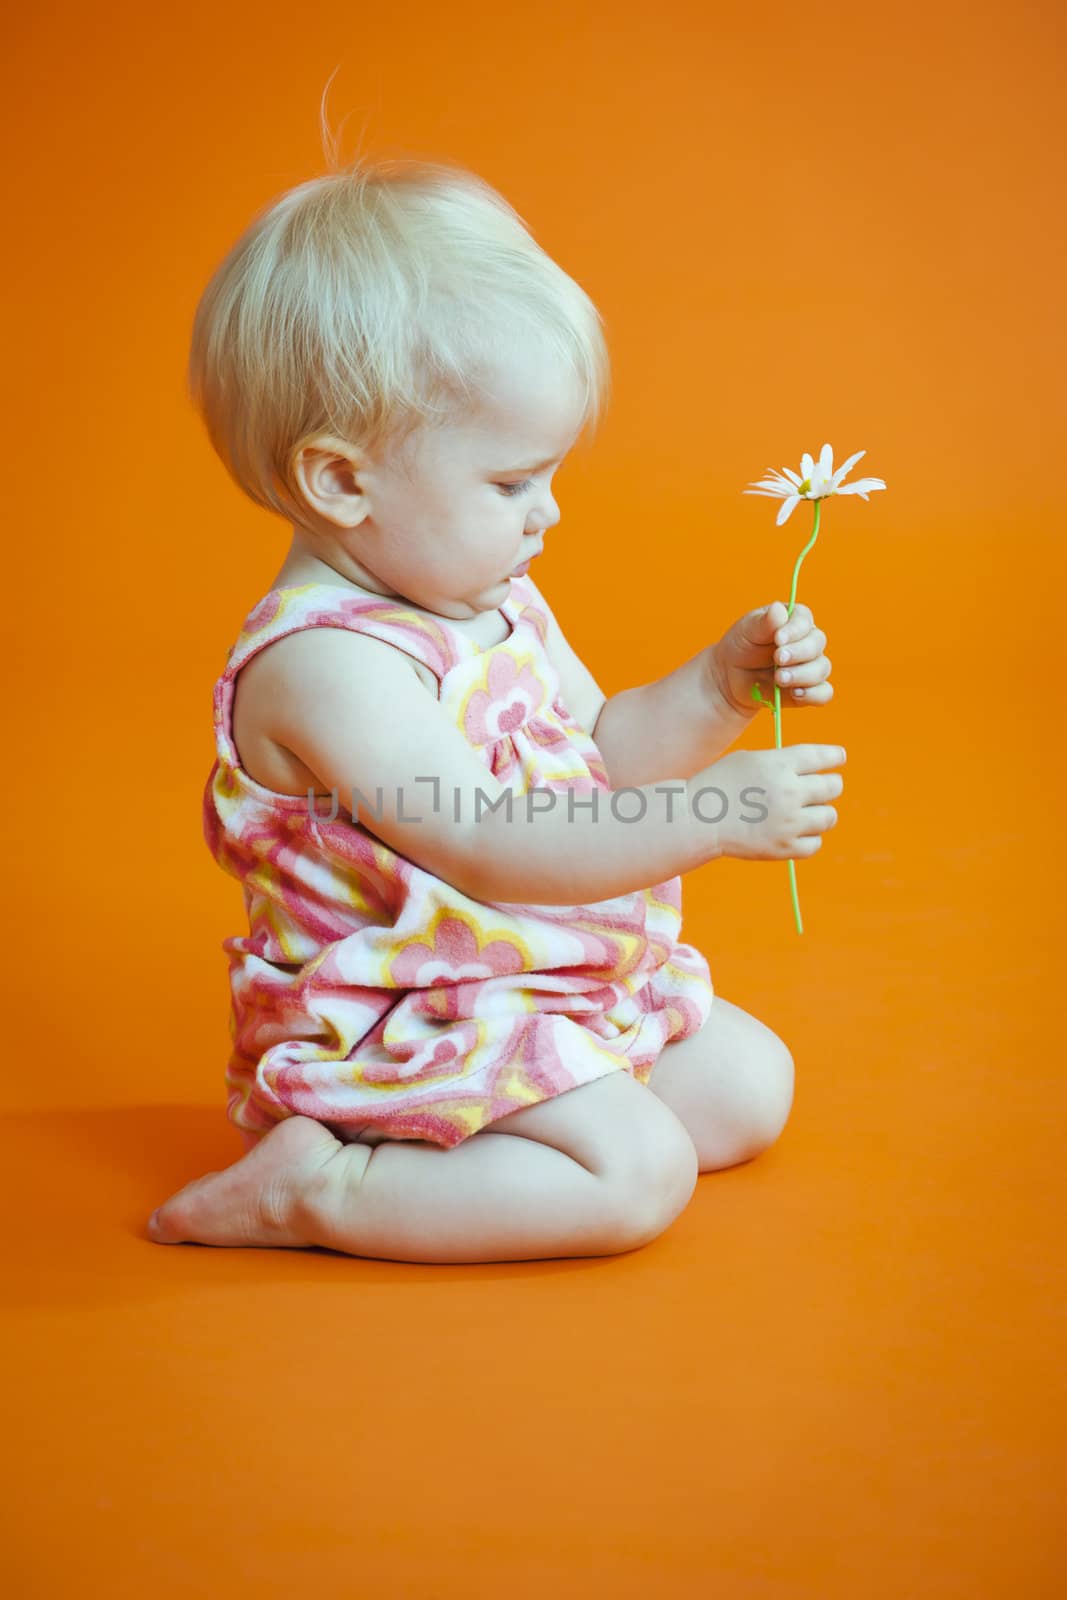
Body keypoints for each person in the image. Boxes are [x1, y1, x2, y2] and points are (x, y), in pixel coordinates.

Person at [147, 153, 846, 1265]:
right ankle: (319, 1182)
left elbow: (603, 749)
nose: (548, 514)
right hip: (401, 1015)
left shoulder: (489, 597)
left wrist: (714, 690)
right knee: (638, 1174)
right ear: (340, 481)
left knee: (748, 1089)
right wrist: (708, 819)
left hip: (524, 976)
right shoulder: (330, 664)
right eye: (511, 483)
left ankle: (481, 1150)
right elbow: (483, 841)